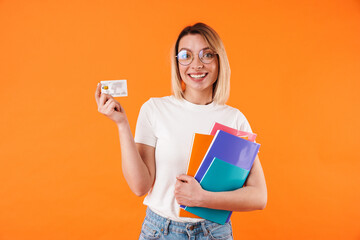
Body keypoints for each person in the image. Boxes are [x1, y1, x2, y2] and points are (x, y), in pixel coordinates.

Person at [95, 22, 267, 240]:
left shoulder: (234, 119)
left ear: (219, 61)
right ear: (177, 63)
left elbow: (259, 197)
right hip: (159, 231)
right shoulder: (154, 109)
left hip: (213, 232)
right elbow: (140, 187)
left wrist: (202, 198)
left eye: (207, 55)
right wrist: (121, 124)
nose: (196, 65)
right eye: (186, 55)